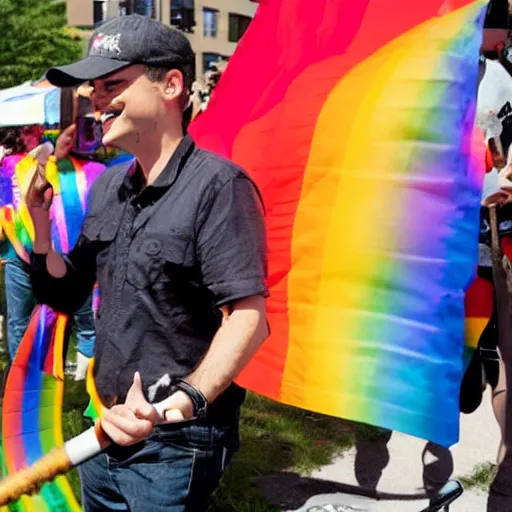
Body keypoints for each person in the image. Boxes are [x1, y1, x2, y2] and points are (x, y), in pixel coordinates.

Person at [28, 14, 268, 512]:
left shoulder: (220, 187)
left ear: (171, 85)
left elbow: (248, 318)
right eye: (93, 87)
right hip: (103, 426)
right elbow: (68, 294)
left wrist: (175, 406)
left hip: (176, 443)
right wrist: (41, 227)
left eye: (112, 83)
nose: (95, 99)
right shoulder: (109, 187)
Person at [0, 113, 97, 380]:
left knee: (75, 315)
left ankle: (81, 377)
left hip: (63, 255)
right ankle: (23, 375)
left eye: (33, 128)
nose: (30, 133)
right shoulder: (10, 166)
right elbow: (6, 207)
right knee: (19, 321)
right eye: (24, 129)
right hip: (21, 257)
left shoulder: (77, 167)